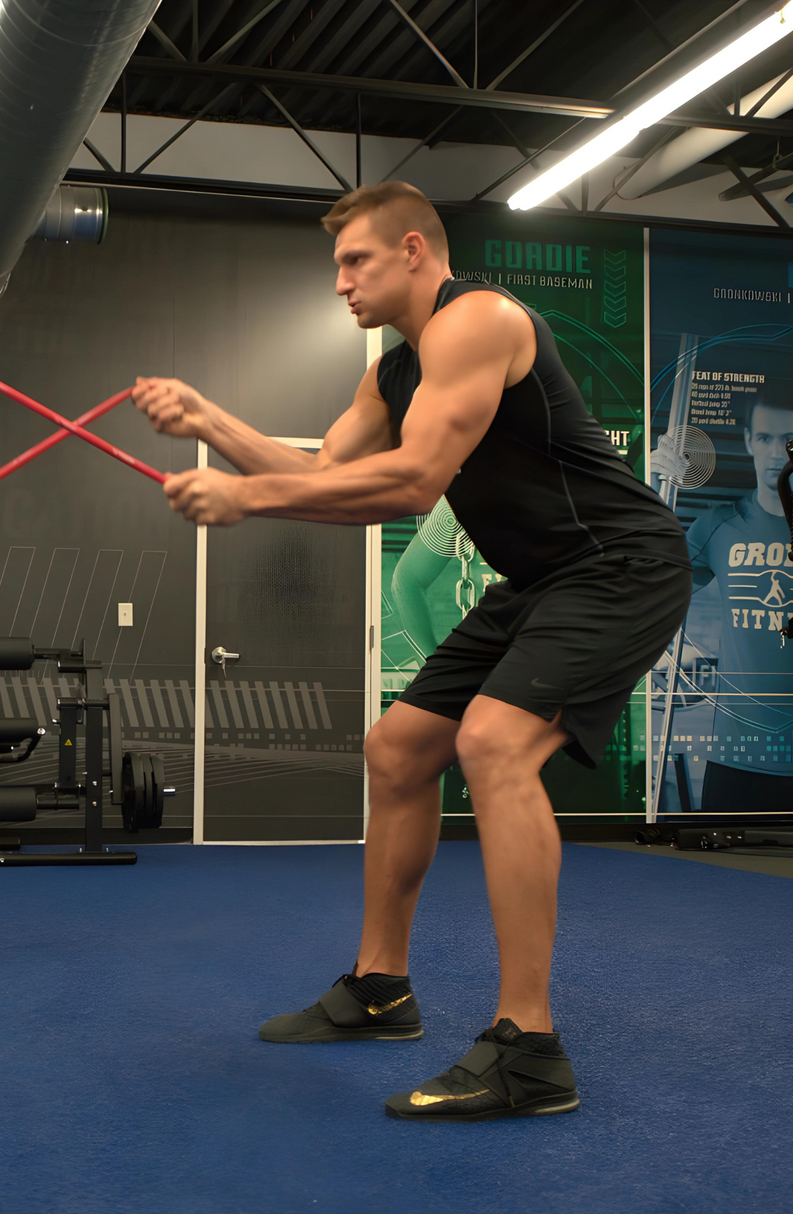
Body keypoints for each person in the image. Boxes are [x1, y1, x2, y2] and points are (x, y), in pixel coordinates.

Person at [130, 182, 692, 1122]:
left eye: (357, 261)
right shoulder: (392, 373)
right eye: (337, 266)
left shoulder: (477, 322)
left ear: (415, 252)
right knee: (396, 749)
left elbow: (411, 484)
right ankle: (381, 991)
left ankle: (529, 1048)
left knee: (495, 743)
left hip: (618, 566)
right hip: (537, 582)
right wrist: (209, 424)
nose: (341, 282)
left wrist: (244, 501)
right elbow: (322, 473)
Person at [651, 388, 793, 810]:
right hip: (737, 756)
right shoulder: (719, 525)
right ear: (749, 440)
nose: (774, 453)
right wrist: (653, 487)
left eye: (787, 441)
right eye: (765, 438)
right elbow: (649, 584)